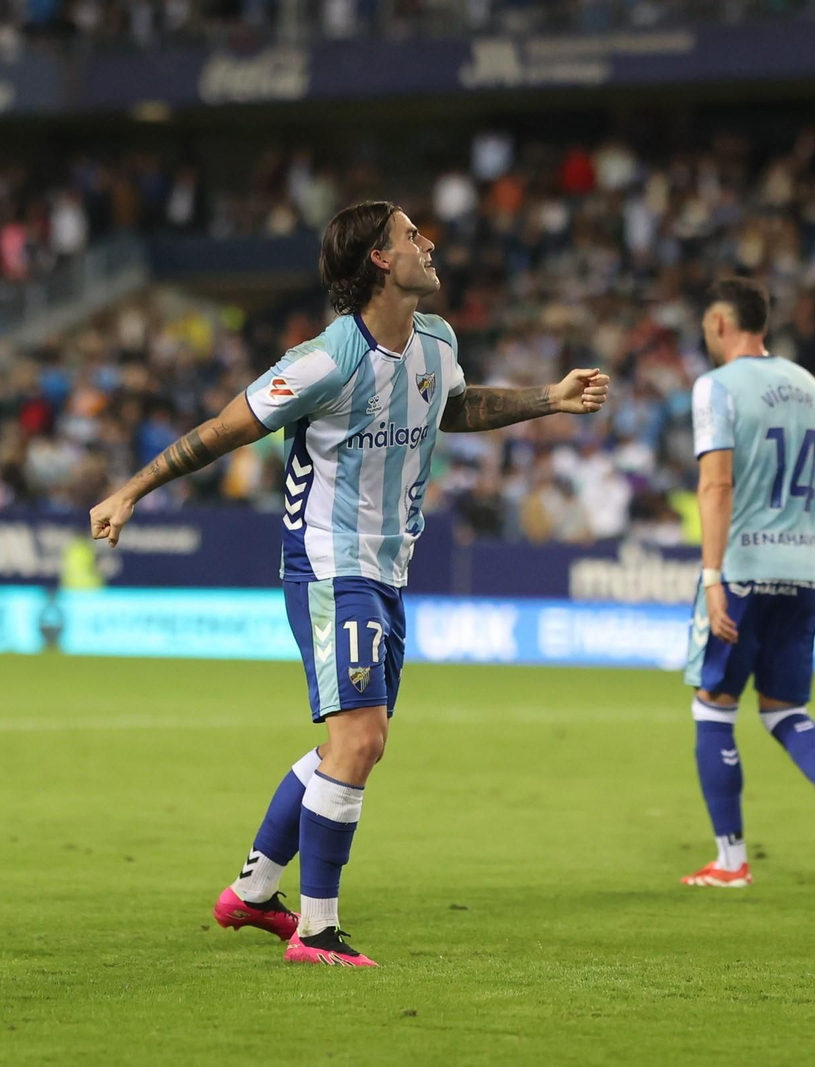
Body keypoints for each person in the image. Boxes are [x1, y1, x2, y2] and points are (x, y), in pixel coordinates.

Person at [88, 201, 608, 966]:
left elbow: (453, 407)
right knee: (359, 739)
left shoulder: (437, 340)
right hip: (330, 564)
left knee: (353, 743)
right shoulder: (325, 361)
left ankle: (254, 891)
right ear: (379, 260)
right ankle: (317, 930)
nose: (427, 242)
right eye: (410, 235)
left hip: (388, 568)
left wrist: (548, 399)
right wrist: (131, 490)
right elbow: (225, 428)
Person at [679, 277, 815, 890]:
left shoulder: (717, 387)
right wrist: (802, 545)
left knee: (714, 708)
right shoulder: (813, 387)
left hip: (741, 571)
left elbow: (716, 484)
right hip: (803, 571)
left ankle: (731, 861)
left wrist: (714, 577)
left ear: (720, 324)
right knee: (786, 708)